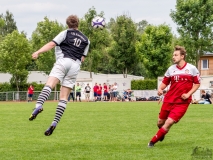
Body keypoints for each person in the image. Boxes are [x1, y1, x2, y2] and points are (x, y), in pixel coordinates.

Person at [28, 15, 90, 136]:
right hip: (75, 66)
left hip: (63, 61)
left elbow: (52, 44)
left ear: (68, 24)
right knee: (63, 98)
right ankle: (54, 123)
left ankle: (39, 105)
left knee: (49, 85)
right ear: (78, 24)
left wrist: (38, 52)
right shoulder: (86, 40)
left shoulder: (65, 33)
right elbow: (82, 58)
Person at [148, 46, 200, 147]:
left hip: (182, 102)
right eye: (173, 55)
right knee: (160, 123)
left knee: (169, 122)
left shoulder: (192, 69)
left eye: (175, 55)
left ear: (182, 56)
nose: (173, 57)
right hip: (168, 100)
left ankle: (152, 142)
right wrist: (160, 89)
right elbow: (164, 82)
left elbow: (197, 84)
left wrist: (188, 94)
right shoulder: (171, 69)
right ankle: (161, 134)